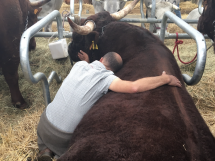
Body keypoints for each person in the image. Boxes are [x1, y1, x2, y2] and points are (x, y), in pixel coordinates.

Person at [36, 50, 182, 160]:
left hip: (44, 124)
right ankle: (59, 155)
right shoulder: (107, 79)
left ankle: (45, 150)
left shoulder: (79, 65)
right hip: (64, 137)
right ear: (114, 71)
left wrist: (87, 60)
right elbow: (134, 87)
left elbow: (89, 66)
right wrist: (165, 79)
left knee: (48, 127)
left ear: (100, 59)